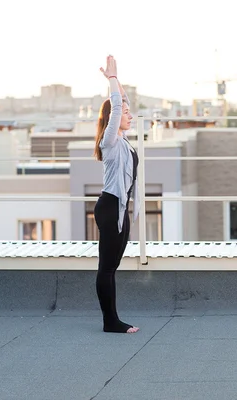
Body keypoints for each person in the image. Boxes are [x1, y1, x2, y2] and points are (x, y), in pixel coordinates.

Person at [93, 55, 140, 333]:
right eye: (124, 113)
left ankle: (112, 319)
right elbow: (117, 104)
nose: (130, 115)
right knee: (107, 268)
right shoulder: (109, 140)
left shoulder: (122, 141)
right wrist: (111, 80)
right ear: (112, 118)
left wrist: (116, 80)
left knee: (112, 266)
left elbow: (123, 101)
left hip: (118, 208)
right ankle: (110, 321)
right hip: (110, 207)